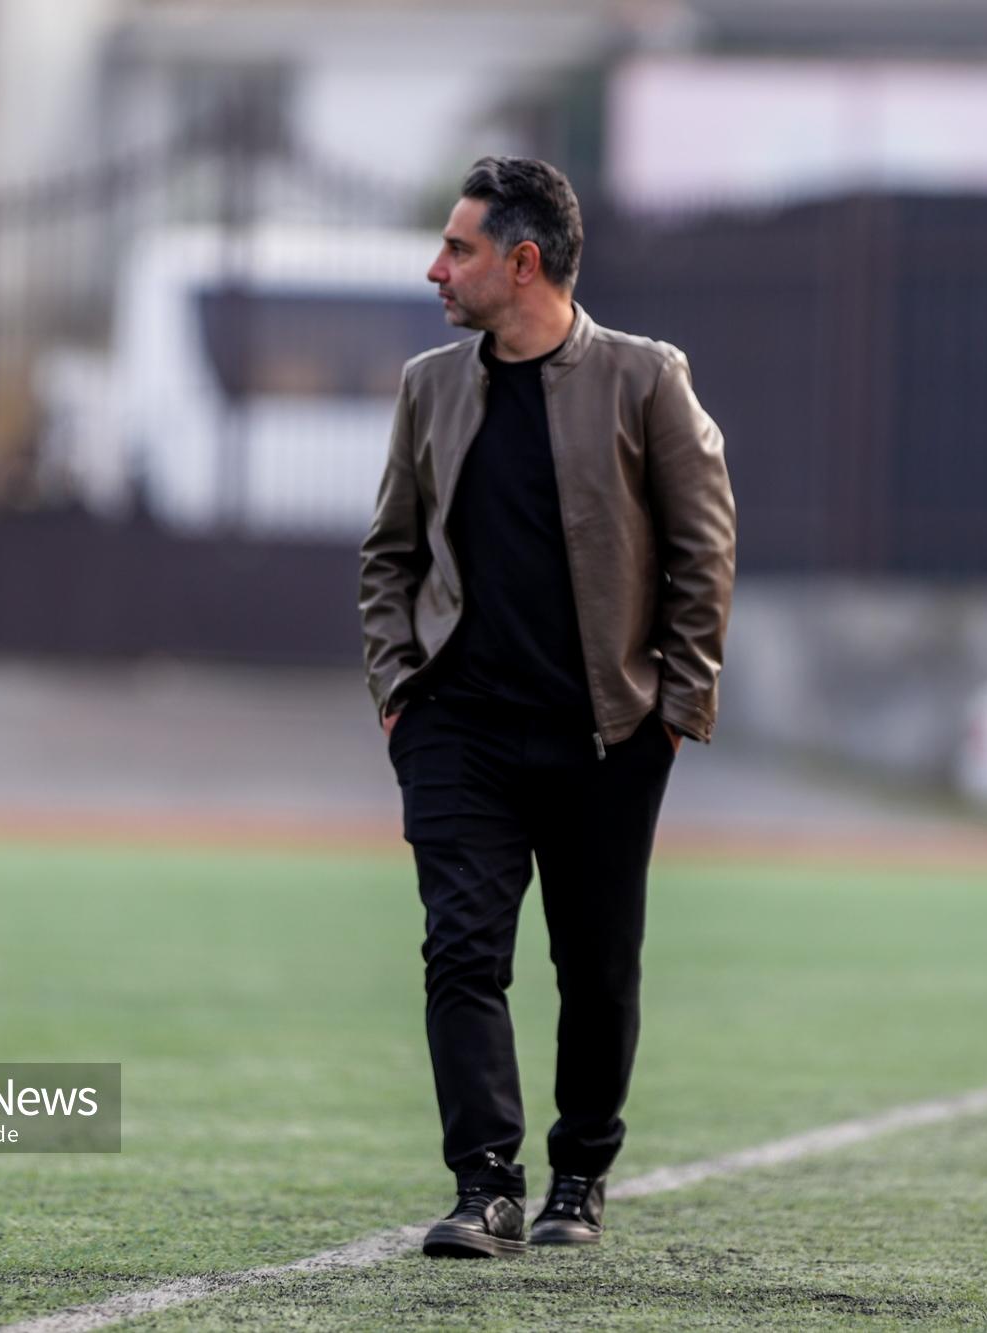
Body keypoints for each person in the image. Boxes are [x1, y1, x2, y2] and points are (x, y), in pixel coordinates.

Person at [359, 157, 736, 1256]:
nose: (436, 269)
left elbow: (704, 550)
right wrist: (398, 689)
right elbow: (388, 554)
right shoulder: (428, 386)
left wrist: (675, 709)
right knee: (460, 952)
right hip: (457, 726)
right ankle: (485, 1184)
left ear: (522, 263)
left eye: (458, 248)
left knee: (596, 965)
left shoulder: (645, 378)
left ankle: (580, 1175)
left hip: (607, 735)